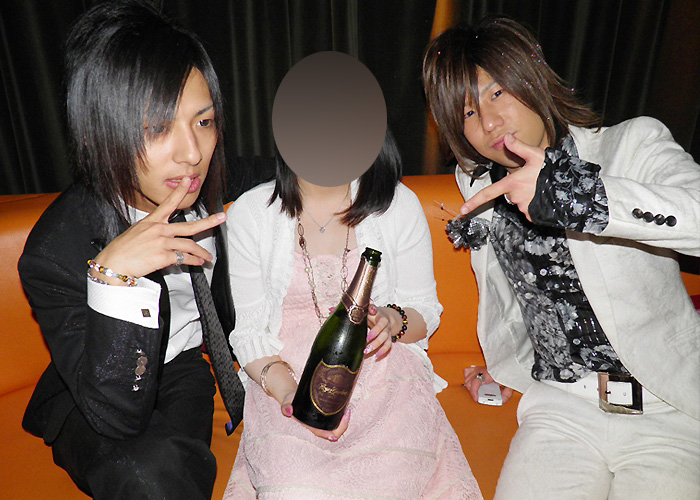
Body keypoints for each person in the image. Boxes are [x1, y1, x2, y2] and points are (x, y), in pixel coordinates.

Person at [422, 15, 700, 500]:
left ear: (530, 78)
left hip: (667, 405)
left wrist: (578, 195)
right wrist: (504, 366)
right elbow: (508, 300)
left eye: (496, 93)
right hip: (561, 406)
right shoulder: (482, 186)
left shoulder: (632, 144)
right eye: (467, 112)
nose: (488, 123)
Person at [18, 2, 245, 498]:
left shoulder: (214, 185)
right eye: (157, 128)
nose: (192, 153)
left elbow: (306, 167)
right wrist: (115, 279)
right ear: (103, 134)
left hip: (182, 366)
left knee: (173, 476)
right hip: (91, 386)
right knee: (150, 475)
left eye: (204, 121)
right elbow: (113, 415)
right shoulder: (55, 251)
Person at [222, 130, 483, 499]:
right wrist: (291, 397)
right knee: (293, 490)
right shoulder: (251, 213)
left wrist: (393, 320)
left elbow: (424, 310)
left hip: (384, 375)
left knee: (391, 486)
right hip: (286, 375)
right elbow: (249, 334)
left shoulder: (397, 205)